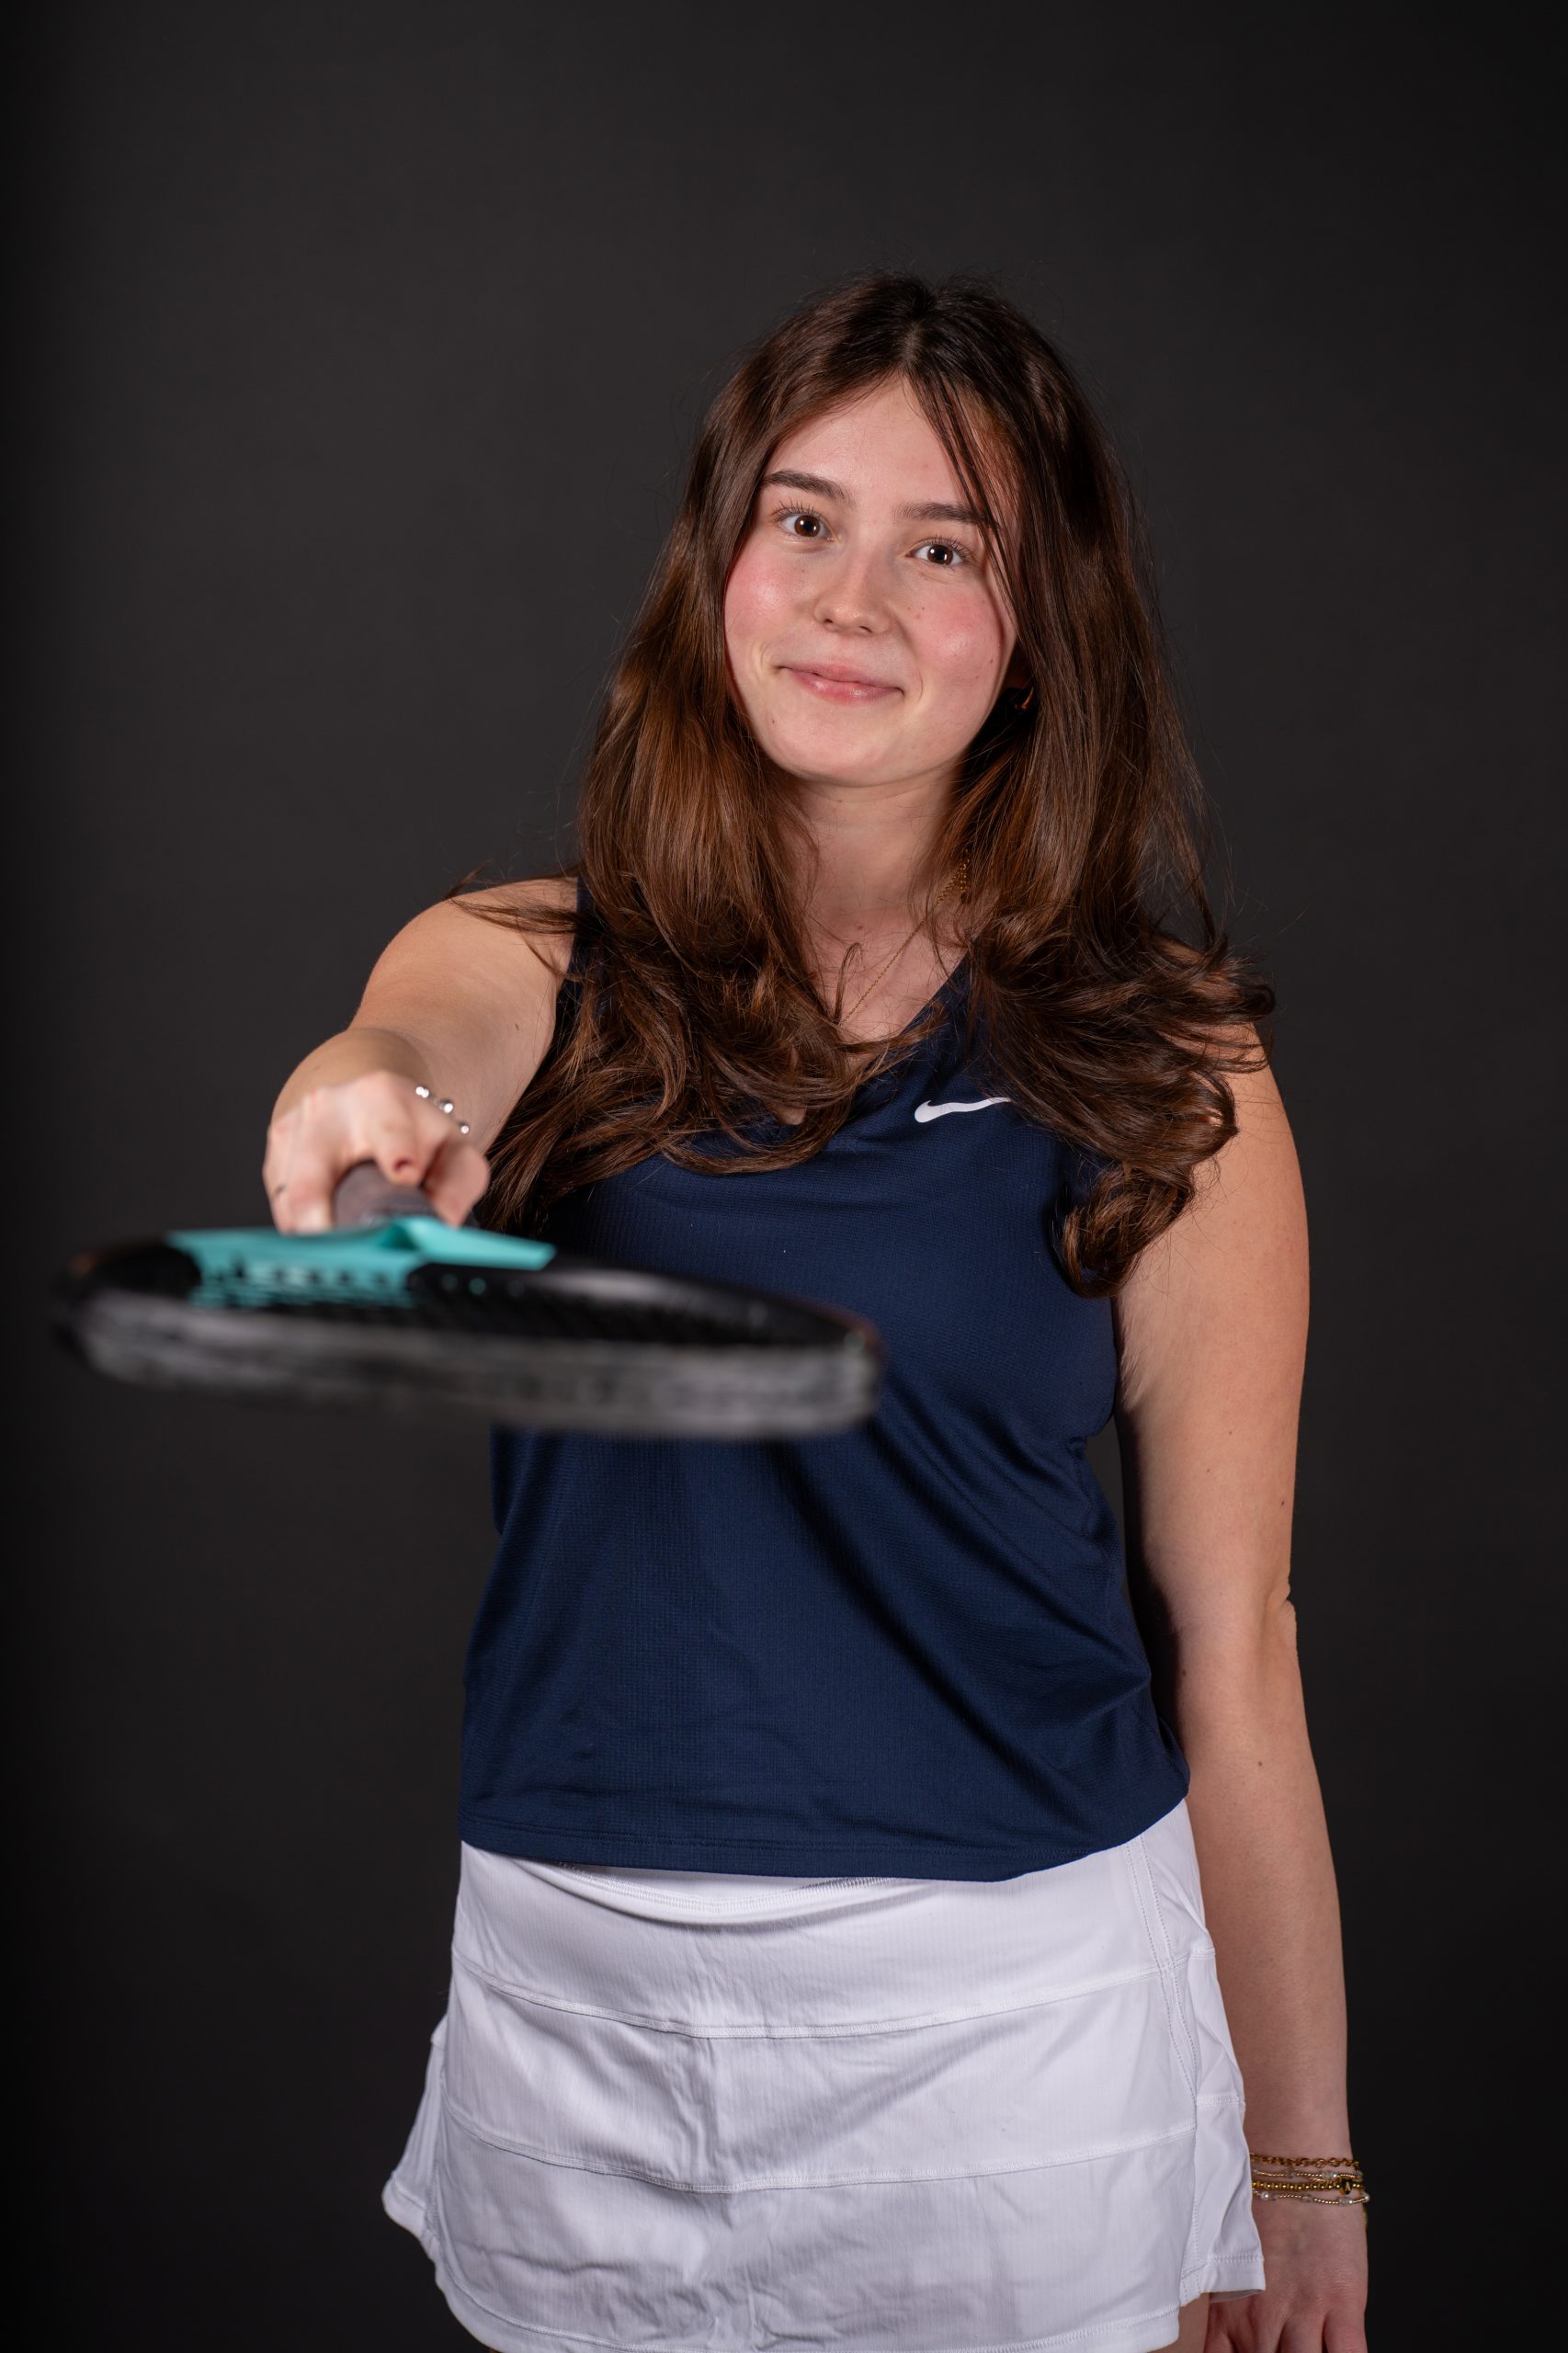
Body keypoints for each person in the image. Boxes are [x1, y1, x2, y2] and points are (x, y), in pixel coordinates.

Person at [264, 273, 1369, 2353]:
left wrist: (1296, 2165)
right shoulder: (536, 958)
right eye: (803, 520)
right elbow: (417, 1038)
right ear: (720, 564)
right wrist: (370, 1101)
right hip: (581, 2005)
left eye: (942, 548)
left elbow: (1234, 1654)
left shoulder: (1170, 1062)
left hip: (1019, 2026)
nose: (852, 598)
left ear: (1037, 631)